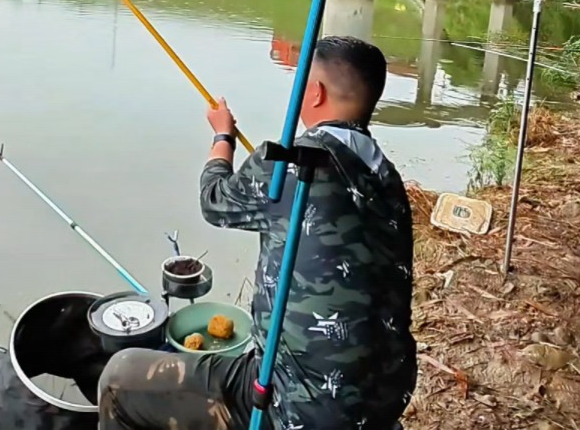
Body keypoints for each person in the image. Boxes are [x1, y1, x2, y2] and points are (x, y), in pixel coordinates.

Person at [97, 36, 416, 430]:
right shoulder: (387, 178)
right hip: (385, 396)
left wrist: (223, 137)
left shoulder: (291, 165)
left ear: (314, 93)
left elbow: (214, 201)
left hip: (299, 403)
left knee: (119, 376)